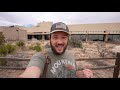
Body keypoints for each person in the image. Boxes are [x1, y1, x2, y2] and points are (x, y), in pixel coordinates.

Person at [19, 22, 93, 78]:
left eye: (63, 37)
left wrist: (81, 74)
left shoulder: (71, 55)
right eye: (55, 37)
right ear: (50, 39)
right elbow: (32, 72)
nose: (60, 42)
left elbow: (71, 73)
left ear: (68, 39)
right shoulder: (41, 56)